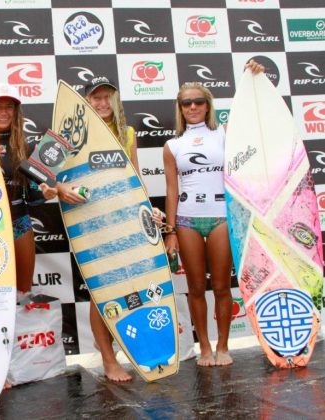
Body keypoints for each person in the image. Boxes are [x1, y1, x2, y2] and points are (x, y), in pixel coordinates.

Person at [162, 60, 264, 367]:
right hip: (187, 221)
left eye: (198, 102)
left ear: (208, 106)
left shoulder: (225, 134)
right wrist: (169, 231)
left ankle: (223, 346)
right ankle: (203, 347)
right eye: (186, 103)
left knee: (221, 286)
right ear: (180, 108)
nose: (192, 106)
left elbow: (257, 119)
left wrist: (255, 80)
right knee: (195, 287)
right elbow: (170, 191)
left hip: (221, 216)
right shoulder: (172, 145)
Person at [0, 84, 84, 295]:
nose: (3, 112)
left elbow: (35, 196)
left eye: (9, 107)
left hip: (18, 223)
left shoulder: (27, 146)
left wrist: (48, 193)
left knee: (22, 293)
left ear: (16, 111)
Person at [83, 76, 140, 382]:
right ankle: (108, 359)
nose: (103, 103)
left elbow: (137, 178)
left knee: (122, 287)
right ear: (86, 103)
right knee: (100, 290)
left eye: (108, 97)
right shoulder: (76, 134)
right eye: (96, 98)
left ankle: (109, 344)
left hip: (125, 221)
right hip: (90, 222)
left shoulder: (128, 133)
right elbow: (52, 175)